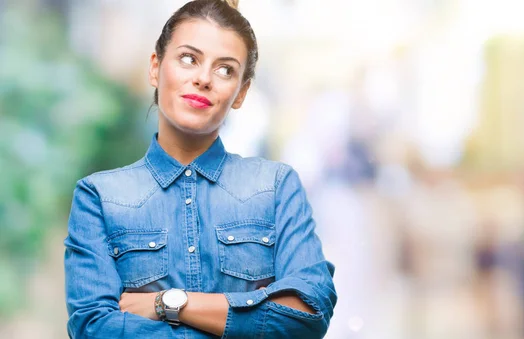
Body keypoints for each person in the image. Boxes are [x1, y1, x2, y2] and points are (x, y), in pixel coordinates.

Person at [63, 1, 337, 338]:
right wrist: (241, 322)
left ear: (241, 93)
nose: (204, 79)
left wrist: (168, 303)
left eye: (225, 70)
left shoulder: (277, 187)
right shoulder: (99, 197)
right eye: (188, 59)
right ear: (155, 67)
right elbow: (94, 327)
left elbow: (308, 315)